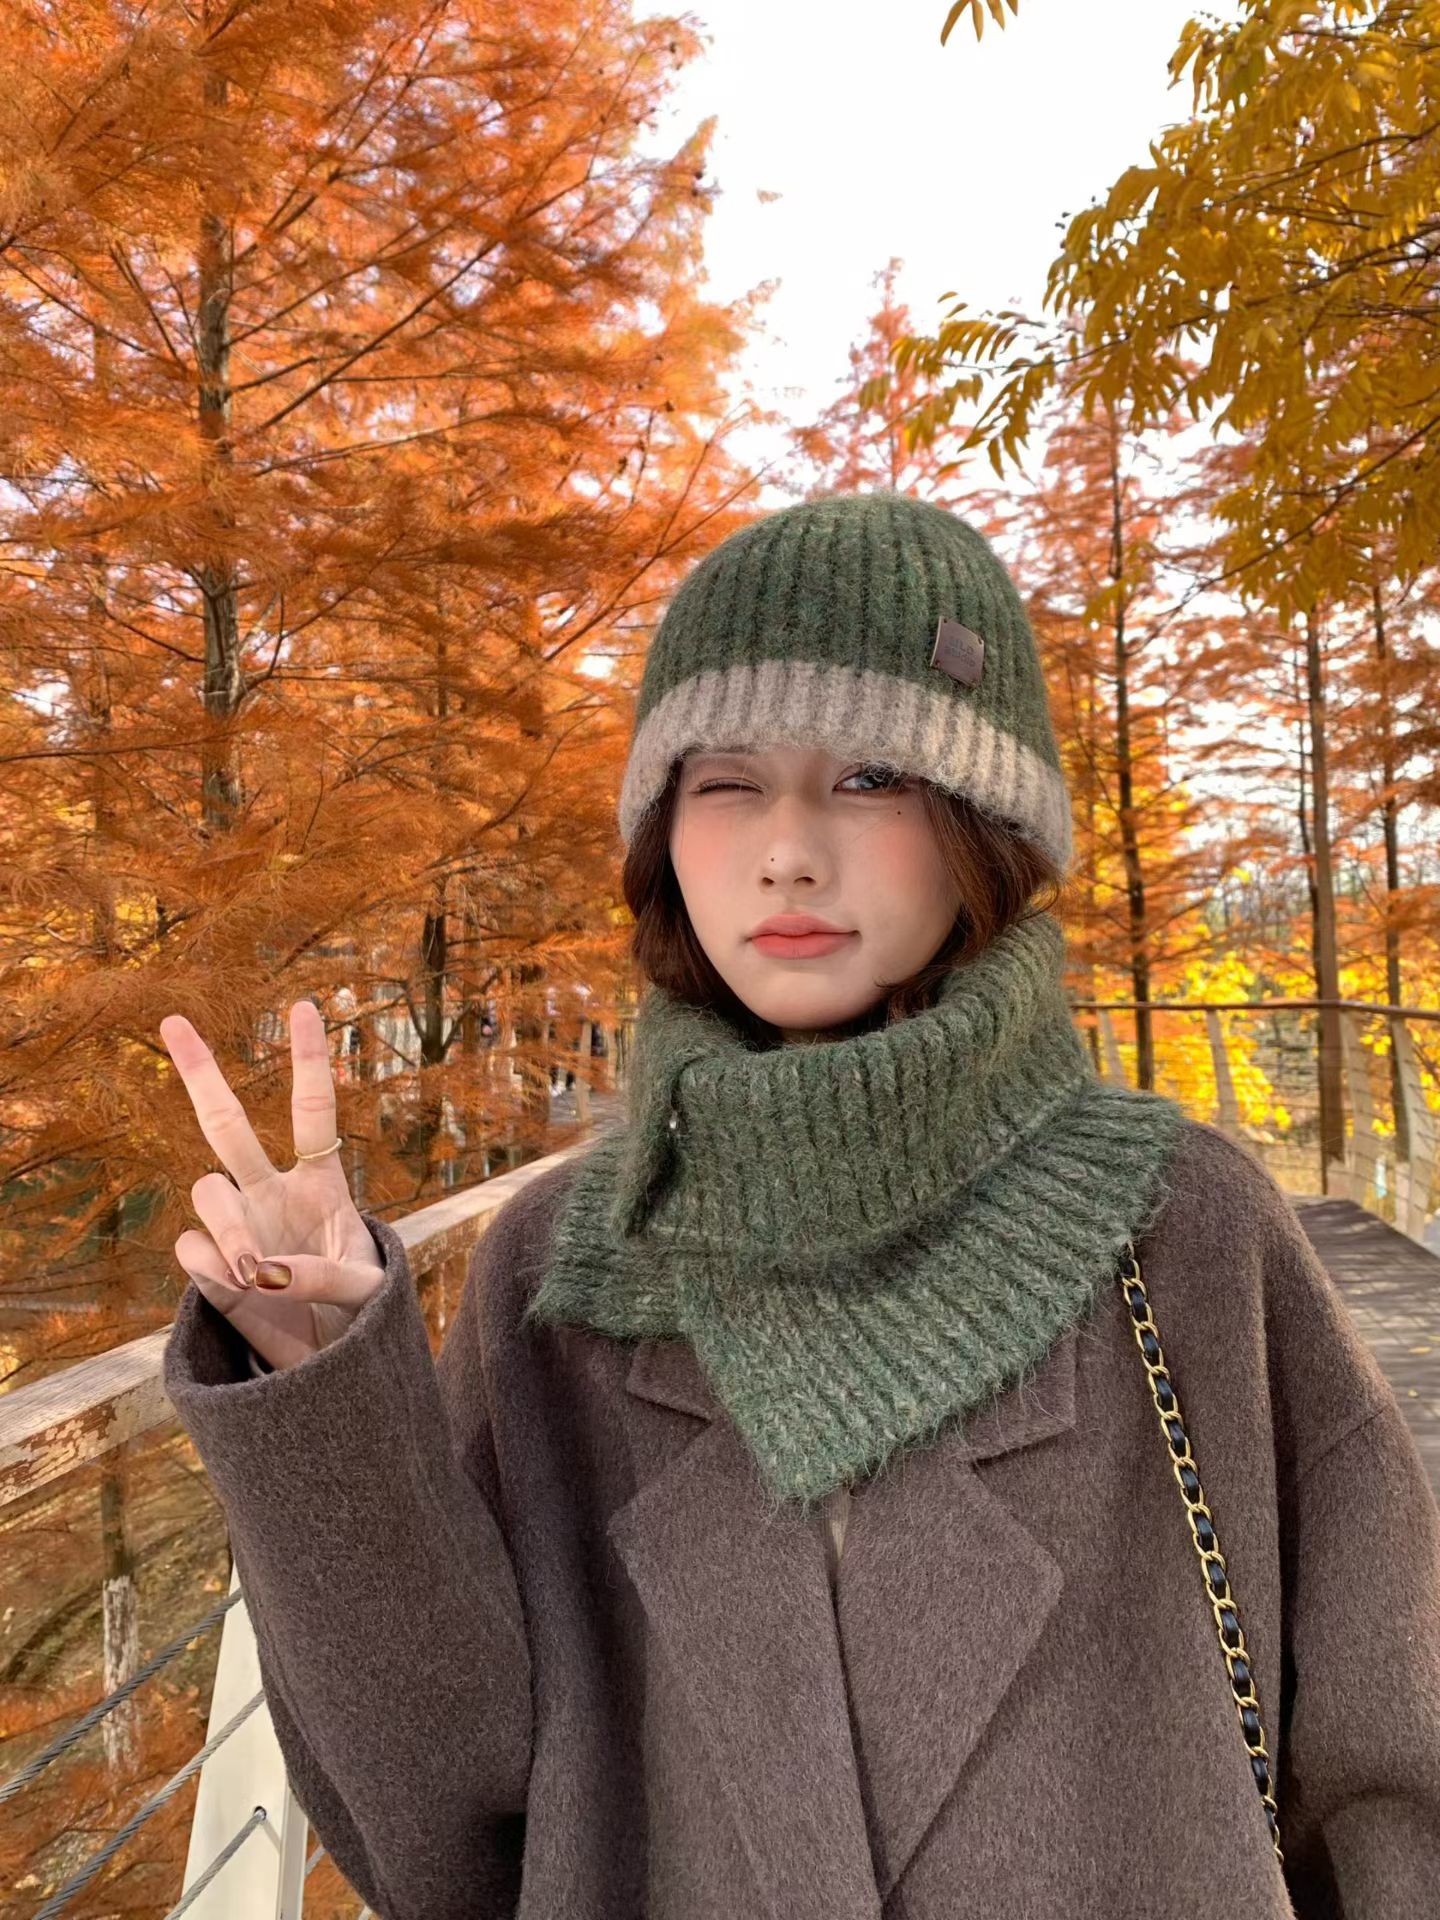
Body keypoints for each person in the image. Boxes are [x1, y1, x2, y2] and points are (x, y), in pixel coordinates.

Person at [160, 490, 1440, 1920]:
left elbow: (1391, 1761)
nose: (788, 850)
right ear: (663, 834)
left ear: (984, 825)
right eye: (727, 782)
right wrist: (325, 1395)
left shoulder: (1185, 1231)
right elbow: (445, 1834)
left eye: (871, 776)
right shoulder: (558, 1274)